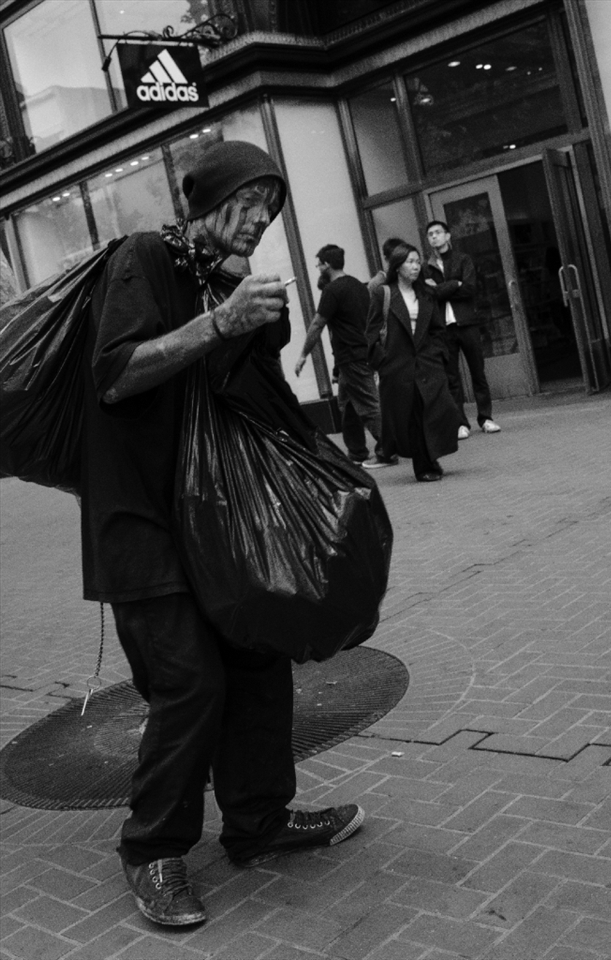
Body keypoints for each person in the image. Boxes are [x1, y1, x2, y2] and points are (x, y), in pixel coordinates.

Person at [81, 141, 364, 929]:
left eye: (270, 209)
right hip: (139, 520)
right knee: (190, 683)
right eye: (247, 205)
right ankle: (153, 851)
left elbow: (252, 404)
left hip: (220, 516)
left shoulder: (228, 282)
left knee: (257, 660)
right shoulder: (141, 258)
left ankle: (258, 821)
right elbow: (115, 372)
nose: (259, 222)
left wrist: (256, 330)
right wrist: (218, 321)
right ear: (204, 201)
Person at [295, 243, 396, 468]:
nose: (317, 266)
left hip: (352, 357)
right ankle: (357, 452)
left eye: (319, 263)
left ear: (327, 264)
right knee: (347, 406)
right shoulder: (358, 286)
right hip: (356, 354)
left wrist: (303, 354)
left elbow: (317, 323)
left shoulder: (332, 291)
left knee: (369, 405)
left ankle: (389, 450)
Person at [366, 242, 461, 482]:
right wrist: (381, 361)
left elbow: (437, 329)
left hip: (429, 364)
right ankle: (424, 466)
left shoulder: (427, 294)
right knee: (414, 416)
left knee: (438, 410)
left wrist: (439, 355)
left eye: (418, 262)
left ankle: (431, 458)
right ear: (397, 266)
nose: (416, 267)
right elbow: (371, 332)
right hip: (398, 367)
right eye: (410, 262)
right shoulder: (383, 293)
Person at [423, 220, 501, 439]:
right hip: (443, 328)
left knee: (478, 372)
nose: (434, 237)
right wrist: (453, 284)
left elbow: (469, 289)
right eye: (430, 234)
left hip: (467, 323)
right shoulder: (425, 266)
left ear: (448, 236)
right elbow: (429, 295)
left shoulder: (463, 259)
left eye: (438, 232)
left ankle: (486, 418)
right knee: (451, 377)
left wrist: (441, 288)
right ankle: (460, 423)